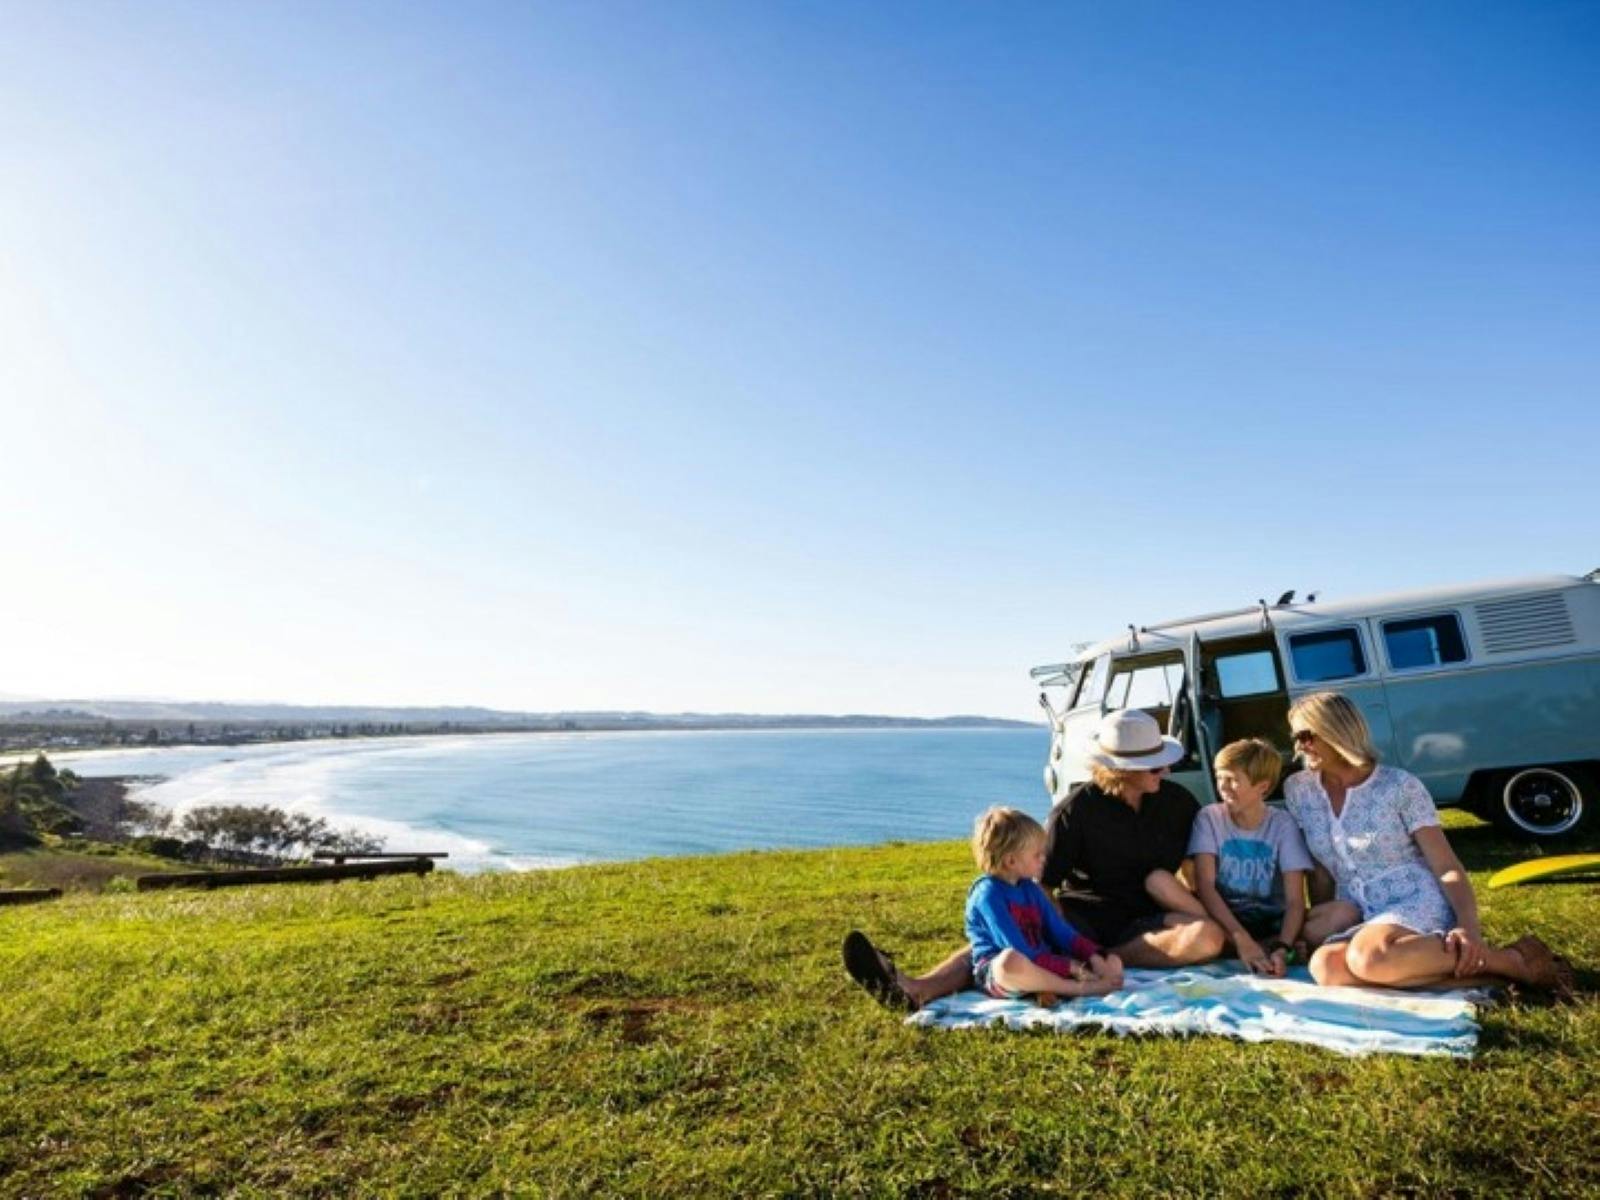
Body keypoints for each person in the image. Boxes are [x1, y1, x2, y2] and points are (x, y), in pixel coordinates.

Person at [842, 709, 1224, 1011]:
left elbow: (1193, 873)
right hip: (1081, 919)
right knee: (1007, 943)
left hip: (1148, 924)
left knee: (1207, 938)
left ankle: (1102, 960)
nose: (1166, 770)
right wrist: (1054, 936)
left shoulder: (1177, 803)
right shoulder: (1075, 812)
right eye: (1155, 765)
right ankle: (918, 989)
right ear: (1119, 768)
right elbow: (1042, 885)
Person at [1283, 691, 1573, 993]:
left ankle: (1509, 960)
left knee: (1369, 958)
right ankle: (1494, 976)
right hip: (1357, 907)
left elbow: (1446, 865)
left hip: (1412, 897)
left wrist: (1468, 926)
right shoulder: (1299, 791)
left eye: (1305, 736)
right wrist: (1321, 926)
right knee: (1326, 967)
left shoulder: (1399, 786)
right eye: (1295, 737)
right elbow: (1321, 870)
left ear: (1336, 730)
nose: (1298, 747)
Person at [1162, 738, 1313, 976]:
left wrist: (1283, 946)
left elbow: (1295, 900)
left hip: (1271, 920)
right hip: (1225, 919)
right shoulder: (1210, 817)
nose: (1223, 787)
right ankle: (1245, 946)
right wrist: (1240, 936)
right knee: (1160, 882)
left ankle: (1269, 946)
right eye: (1220, 777)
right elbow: (1205, 886)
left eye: (1233, 779)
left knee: (1332, 917)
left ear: (1262, 786)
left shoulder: (1283, 824)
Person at [964, 806, 1123, 1003]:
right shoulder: (988, 895)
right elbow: (1019, 951)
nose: (1043, 859)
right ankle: (1077, 988)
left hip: (1043, 963)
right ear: (1011, 861)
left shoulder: (1030, 888)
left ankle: (1050, 987)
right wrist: (1071, 968)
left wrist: (1094, 958)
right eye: (1037, 854)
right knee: (1009, 962)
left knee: (1112, 962)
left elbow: (1062, 933)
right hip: (1001, 974)